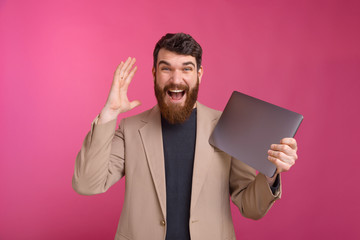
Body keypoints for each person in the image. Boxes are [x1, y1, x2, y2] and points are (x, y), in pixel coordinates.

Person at [72, 33, 299, 240]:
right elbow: (86, 184)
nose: (176, 79)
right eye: (166, 68)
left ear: (199, 74)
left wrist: (271, 174)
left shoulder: (228, 125)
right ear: (154, 73)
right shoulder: (130, 129)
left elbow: (251, 207)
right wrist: (109, 113)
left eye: (187, 69)